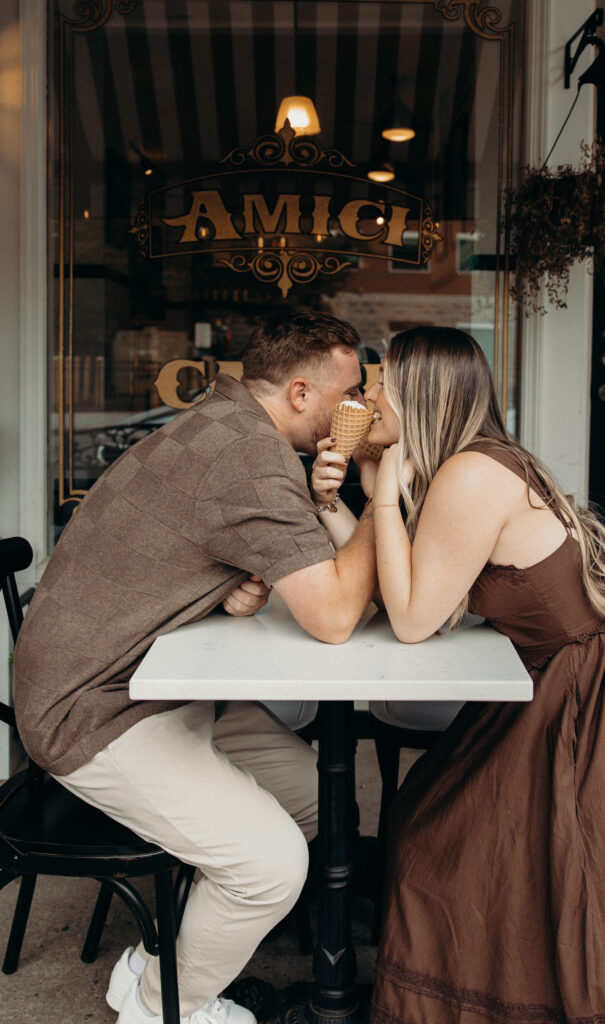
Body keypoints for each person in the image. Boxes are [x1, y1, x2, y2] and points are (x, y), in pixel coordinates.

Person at [12, 308, 377, 1024]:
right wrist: (382, 487)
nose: (355, 407)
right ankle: (160, 1006)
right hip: (91, 710)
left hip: (153, 683)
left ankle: (162, 959)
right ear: (301, 392)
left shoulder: (225, 422)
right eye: (349, 391)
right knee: (269, 866)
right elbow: (334, 617)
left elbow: (192, 553)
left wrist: (222, 595)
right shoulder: (249, 457)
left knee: (314, 799)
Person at [340, 326, 605, 1024]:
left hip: (590, 692)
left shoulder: (471, 474)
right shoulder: (471, 464)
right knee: (429, 819)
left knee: (467, 841)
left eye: (381, 383)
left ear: (418, 395)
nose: (369, 396)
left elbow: (410, 622)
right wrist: (361, 494)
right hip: (554, 674)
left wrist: (379, 496)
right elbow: (424, 607)